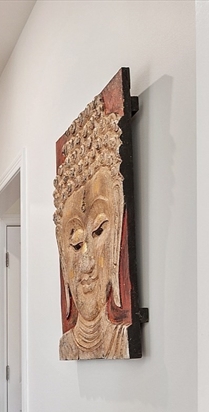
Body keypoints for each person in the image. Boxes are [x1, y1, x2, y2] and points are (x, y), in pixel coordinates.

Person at [53, 96, 130, 360]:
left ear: (118, 226)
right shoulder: (67, 347)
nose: (86, 262)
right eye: (74, 244)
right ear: (63, 258)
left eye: (99, 231)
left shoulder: (122, 341)